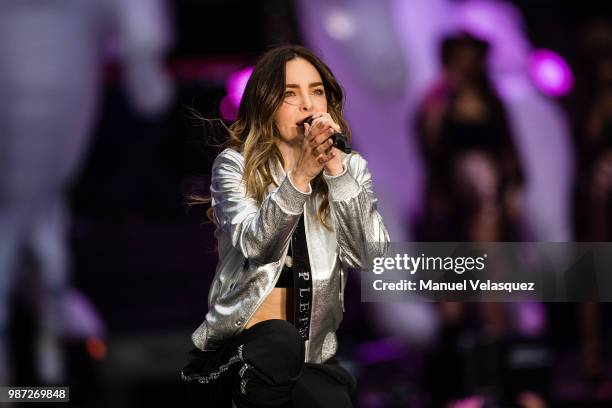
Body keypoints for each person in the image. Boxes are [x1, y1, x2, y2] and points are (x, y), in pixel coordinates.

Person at [180, 45, 389, 407]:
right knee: (279, 338)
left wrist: (337, 173)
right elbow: (258, 247)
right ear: (267, 103)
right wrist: (303, 173)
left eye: (317, 91)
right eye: (291, 94)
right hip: (241, 356)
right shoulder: (235, 166)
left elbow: (368, 255)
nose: (309, 105)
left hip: (312, 361)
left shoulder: (351, 170)